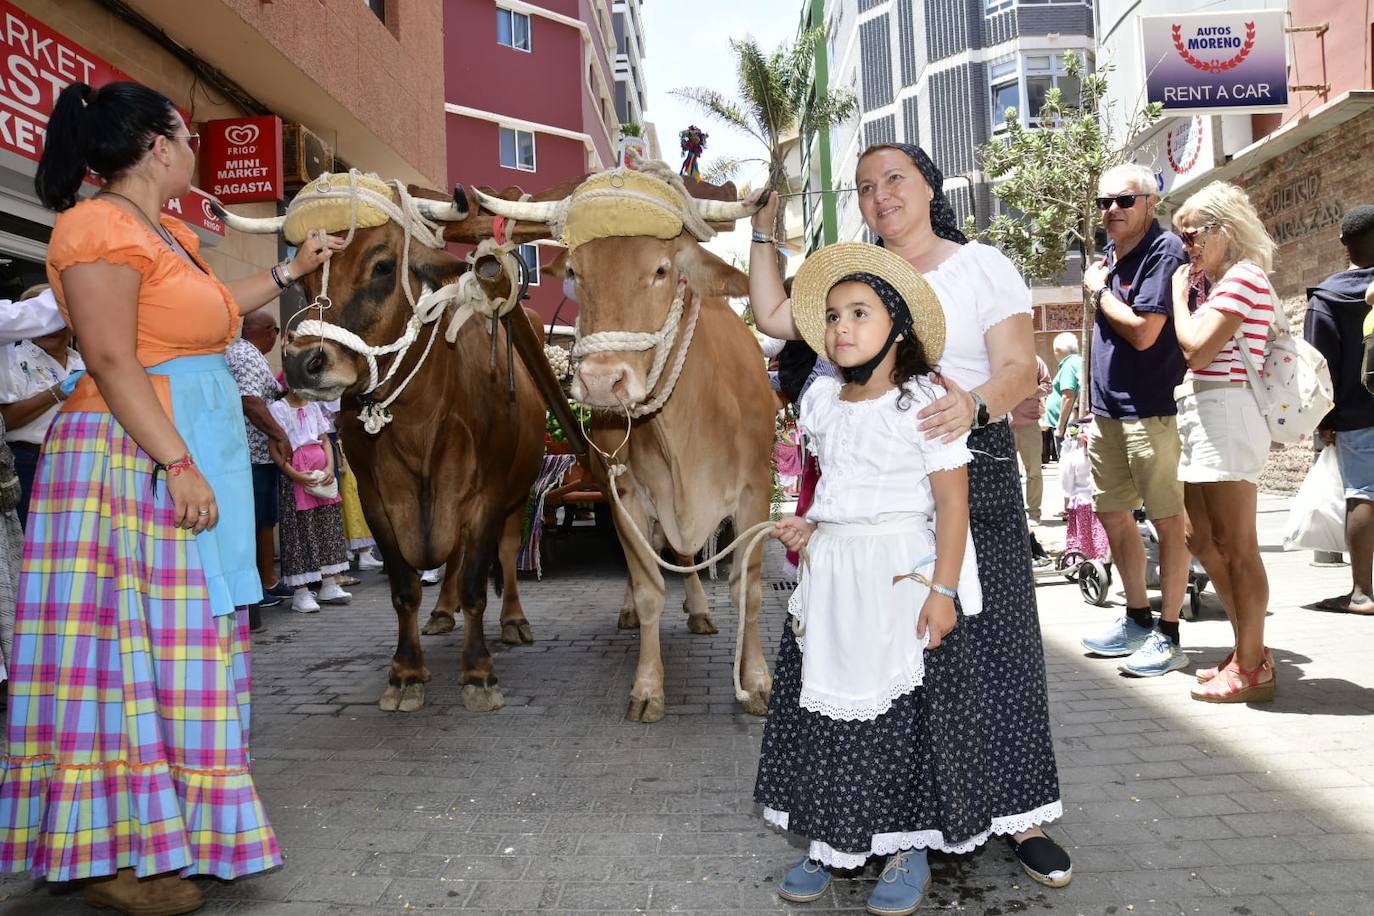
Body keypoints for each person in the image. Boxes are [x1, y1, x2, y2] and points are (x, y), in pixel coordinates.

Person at [0, 80, 340, 914]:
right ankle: (118, 859)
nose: (197, 149)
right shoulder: (95, 229)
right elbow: (113, 359)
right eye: (188, 136)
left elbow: (215, 315)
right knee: (127, 655)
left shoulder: (169, 232)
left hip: (183, 452)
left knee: (179, 652)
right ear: (160, 144)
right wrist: (177, 461)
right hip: (131, 460)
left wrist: (292, 270)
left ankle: (163, 838)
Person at [749, 142, 1070, 890]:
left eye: (894, 178)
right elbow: (770, 310)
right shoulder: (855, 282)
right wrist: (762, 227)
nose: (880, 194)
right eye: (865, 187)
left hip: (964, 469)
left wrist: (972, 403)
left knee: (996, 653)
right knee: (907, 670)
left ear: (929, 184)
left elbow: (1019, 365)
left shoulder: (981, 265)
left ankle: (1022, 816)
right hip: (873, 497)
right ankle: (908, 819)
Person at [758, 241, 979, 913]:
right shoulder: (823, 398)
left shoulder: (925, 402)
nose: (841, 327)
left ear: (898, 327)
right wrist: (813, 526)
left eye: (859, 312)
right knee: (827, 713)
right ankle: (831, 840)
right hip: (835, 580)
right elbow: (841, 491)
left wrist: (943, 593)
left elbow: (951, 505)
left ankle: (907, 845)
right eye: (831, 316)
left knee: (904, 718)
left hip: (901, 579)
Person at [1077, 163, 1192, 677]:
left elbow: (1145, 333)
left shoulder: (1163, 251)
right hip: (1107, 412)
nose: (1111, 211)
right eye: (1104, 203)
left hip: (1153, 408)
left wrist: (1099, 292)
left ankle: (1169, 634)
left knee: (1169, 522)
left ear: (1150, 203)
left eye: (1123, 201)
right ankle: (1137, 619)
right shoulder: (1109, 255)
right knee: (1114, 514)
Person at [1169, 181, 1278, 702]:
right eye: (1182, 237)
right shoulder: (1222, 284)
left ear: (1224, 230)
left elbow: (1195, 348)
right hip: (1205, 411)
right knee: (1201, 539)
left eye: (1192, 235)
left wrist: (1174, 296)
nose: (1186, 246)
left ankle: (1253, 665)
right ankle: (1246, 650)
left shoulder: (1242, 278)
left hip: (1228, 410)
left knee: (1238, 547)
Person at [1304, 205, 1374, 615]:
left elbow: (1317, 367)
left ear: (1343, 243)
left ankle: (1363, 592)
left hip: (1355, 414)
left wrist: (1322, 422)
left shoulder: (1328, 297)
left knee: (1363, 494)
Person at [224, 309, 293, 610]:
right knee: (254, 520)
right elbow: (250, 401)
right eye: (276, 333)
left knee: (265, 519)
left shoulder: (252, 355)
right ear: (268, 331)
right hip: (250, 453)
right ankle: (255, 586)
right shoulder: (246, 355)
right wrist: (279, 434)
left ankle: (268, 580)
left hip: (260, 455)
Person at [0, 285, 83, 527]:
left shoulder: (86, 361)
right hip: (27, 462)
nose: (50, 328)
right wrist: (57, 392)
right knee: (28, 540)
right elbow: (5, 421)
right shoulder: (13, 358)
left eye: (56, 319)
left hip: (76, 462)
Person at [268, 387, 352, 613]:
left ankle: (329, 583)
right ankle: (301, 592)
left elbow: (325, 439)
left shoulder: (314, 406)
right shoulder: (279, 409)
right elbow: (274, 447)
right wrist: (294, 475)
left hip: (320, 471)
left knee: (326, 525)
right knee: (300, 529)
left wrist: (329, 467)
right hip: (296, 474)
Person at [1011, 355, 1050, 526]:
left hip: (1030, 426)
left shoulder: (1036, 361)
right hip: (1005, 425)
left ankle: (1034, 512)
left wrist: (1029, 392)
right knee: (1007, 473)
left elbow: (1048, 386)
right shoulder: (1003, 357)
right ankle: (1012, 512)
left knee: (1034, 471)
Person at [1045, 332, 1081, 466]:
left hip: (1069, 425)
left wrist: (1060, 426)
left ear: (1057, 350)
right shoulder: (1077, 361)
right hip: (1073, 422)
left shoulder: (1068, 365)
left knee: (1068, 465)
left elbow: (1068, 396)